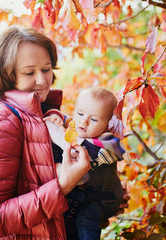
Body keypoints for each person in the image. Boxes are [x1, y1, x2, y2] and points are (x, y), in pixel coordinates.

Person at [0, 25, 92, 239]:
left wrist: (100, 201)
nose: (42, 80)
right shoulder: (0, 119)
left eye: (46, 69)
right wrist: (62, 185)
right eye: (29, 72)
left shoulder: (45, 112)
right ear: (6, 75)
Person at [44, 87, 127, 240]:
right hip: (89, 195)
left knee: (85, 219)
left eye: (94, 119)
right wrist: (55, 116)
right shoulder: (80, 129)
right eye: (80, 113)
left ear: (108, 125)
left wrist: (50, 127)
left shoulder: (104, 144)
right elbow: (65, 118)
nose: (84, 121)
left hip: (105, 199)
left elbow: (71, 147)